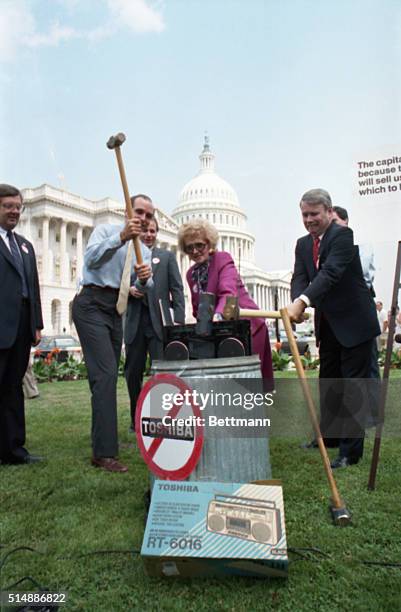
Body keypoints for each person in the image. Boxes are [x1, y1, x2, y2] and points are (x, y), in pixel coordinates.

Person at [287, 188, 380, 468]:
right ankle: (329, 438)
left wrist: (303, 301)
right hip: (327, 325)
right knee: (329, 382)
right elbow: (299, 276)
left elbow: (330, 273)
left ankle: (350, 453)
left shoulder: (342, 236)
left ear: (329, 212)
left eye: (314, 214)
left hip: (354, 323)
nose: (309, 219)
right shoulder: (303, 244)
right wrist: (297, 302)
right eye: (305, 214)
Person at [72, 195, 154, 473]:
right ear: (128, 210)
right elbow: (92, 261)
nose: (143, 218)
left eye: (148, 215)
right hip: (91, 303)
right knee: (106, 374)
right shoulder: (106, 230)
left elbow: (144, 284)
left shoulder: (142, 247)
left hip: (116, 309)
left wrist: (144, 278)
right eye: (139, 212)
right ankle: (104, 453)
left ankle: (103, 437)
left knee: (104, 376)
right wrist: (121, 236)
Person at [177, 219, 273, 383]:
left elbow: (228, 293)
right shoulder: (190, 274)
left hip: (247, 325)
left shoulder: (222, 259)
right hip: (219, 330)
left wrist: (218, 316)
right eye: (189, 247)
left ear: (209, 243)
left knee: (247, 380)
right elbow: (197, 307)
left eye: (199, 245)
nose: (195, 250)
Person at [124, 217, 185, 431]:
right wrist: (128, 290)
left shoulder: (166, 257)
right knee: (133, 374)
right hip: (135, 323)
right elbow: (116, 284)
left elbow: (177, 290)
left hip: (159, 324)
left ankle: (163, 417)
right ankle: (136, 418)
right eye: (145, 231)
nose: (149, 234)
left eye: (153, 231)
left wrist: (177, 321)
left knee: (162, 373)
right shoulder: (126, 256)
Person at [0, 184, 43, 465]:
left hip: (21, 326)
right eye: (8, 206)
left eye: (18, 206)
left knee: (13, 387)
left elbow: (33, 288)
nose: (14, 211)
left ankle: (14, 450)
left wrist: (36, 324)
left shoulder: (24, 245)